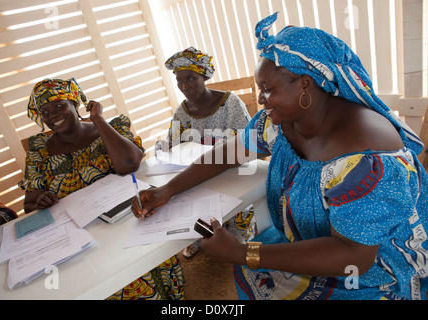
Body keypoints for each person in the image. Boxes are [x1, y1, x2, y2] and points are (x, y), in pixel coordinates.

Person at [132, 12, 428, 300]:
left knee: (254, 266)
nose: (260, 99)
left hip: (369, 277)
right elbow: (229, 153)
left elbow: (354, 256)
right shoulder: (281, 123)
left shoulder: (365, 159)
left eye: (267, 89)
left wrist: (241, 253)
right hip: (305, 242)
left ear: (304, 84)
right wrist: (168, 189)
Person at [18, 78, 184, 300]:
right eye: (45, 111)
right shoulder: (40, 152)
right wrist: (40, 203)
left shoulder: (110, 129)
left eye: (59, 106)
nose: (53, 116)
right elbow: (29, 205)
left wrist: (98, 120)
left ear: (75, 103)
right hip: (87, 241)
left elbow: (129, 164)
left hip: (132, 223)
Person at [160, 46, 255, 258]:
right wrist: (165, 149)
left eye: (191, 78)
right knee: (187, 199)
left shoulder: (231, 104)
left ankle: (233, 243)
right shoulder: (181, 113)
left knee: (234, 227)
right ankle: (201, 238)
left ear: (204, 76)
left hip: (233, 171)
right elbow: (173, 147)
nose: (185, 86)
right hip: (199, 175)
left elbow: (246, 146)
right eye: (180, 81)